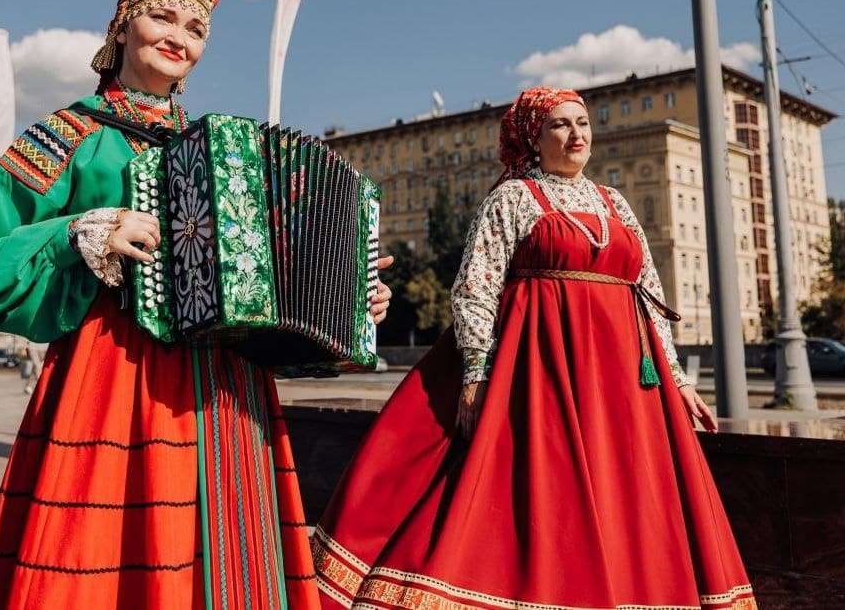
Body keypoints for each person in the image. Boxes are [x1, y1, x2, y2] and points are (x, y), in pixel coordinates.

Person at [0, 0, 392, 610]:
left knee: (225, 542)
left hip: (225, 383)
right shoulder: (65, 135)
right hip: (115, 368)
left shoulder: (232, 156)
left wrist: (350, 299)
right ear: (122, 23)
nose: (178, 37)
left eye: (195, 28)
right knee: (109, 535)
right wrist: (82, 231)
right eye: (162, 17)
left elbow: (275, 284)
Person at [312, 87, 755, 610]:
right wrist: (476, 374)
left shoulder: (616, 202)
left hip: (623, 386)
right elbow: (474, 287)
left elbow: (649, 295)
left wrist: (677, 379)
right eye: (560, 125)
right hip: (543, 371)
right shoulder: (514, 197)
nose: (576, 135)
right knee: (550, 495)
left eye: (584, 123)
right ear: (533, 138)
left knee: (627, 499)